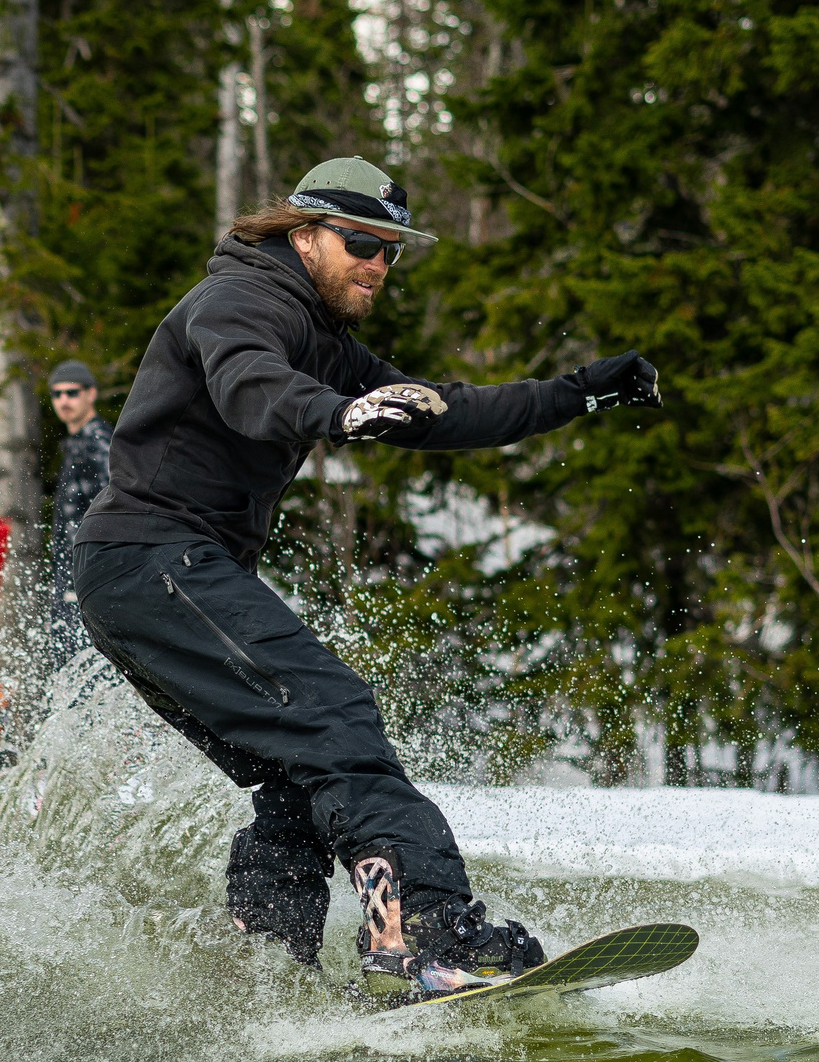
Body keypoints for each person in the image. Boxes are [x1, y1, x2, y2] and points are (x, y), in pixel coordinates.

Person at [69, 157, 663, 999]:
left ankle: (265, 969)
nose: (378, 265)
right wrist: (334, 412)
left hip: (147, 577)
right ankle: (424, 934)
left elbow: (441, 408)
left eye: (391, 251)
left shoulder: (325, 338)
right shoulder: (239, 301)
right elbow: (251, 386)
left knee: (296, 771)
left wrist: (579, 393)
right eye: (360, 243)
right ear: (304, 235)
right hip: (153, 558)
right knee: (333, 714)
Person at [45, 360, 113, 669]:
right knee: (69, 664)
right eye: (57, 394)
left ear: (91, 394)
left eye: (72, 392)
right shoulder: (77, 443)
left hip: (90, 578)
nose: (64, 401)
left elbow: (115, 508)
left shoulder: (98, 442)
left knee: (86, 667)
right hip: (75, 576)